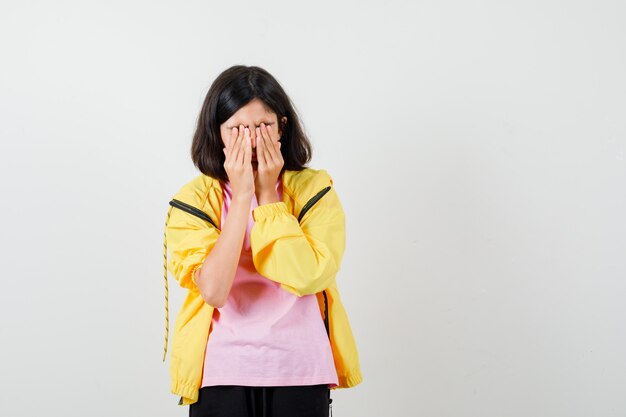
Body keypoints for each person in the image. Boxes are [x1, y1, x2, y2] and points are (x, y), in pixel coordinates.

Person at [162, 65, 362, 416]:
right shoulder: (194, 200)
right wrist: (241, 198)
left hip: (301, 369)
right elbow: (213, 290)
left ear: (283, 126)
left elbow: (308, 276)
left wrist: (269, 195)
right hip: (221, 370)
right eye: (237, 129)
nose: (252, 140)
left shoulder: (314, 189)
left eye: (263, 126)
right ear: (218, 132)